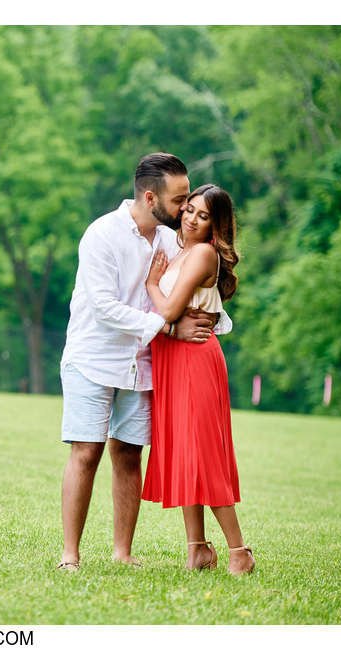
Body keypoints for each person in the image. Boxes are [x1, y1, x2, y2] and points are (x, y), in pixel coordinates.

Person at [57, 153, 231, 571]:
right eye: (180, 200)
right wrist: (169, 329)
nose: (186, 209)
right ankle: (70, 556)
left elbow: (195, 288)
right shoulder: (102, 235)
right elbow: (104, 308)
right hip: (93, 357)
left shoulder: (173, 240)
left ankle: (122, 552)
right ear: (151, 197)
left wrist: (212, 320)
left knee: (129, 454)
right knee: (86, 453)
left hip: (142, 364)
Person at [141, 183, 255, 575]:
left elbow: (170, 310)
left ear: (215, 225)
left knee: (204, 455)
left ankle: (239, 551)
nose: (190, 218)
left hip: (194, 359)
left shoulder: (203, 253)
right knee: (184, 456)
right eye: (188, 209)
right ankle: (198, 549)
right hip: (172, 360)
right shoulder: (183, 251)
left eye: (202, 215)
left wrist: (152, 285)